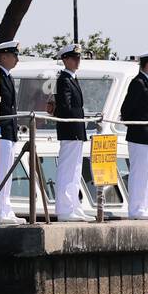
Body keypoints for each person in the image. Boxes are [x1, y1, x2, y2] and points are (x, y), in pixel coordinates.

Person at [121, 49, 148, 221]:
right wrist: (139, 123)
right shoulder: (137, 83)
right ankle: (136, 208)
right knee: (139, 171)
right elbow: (126, 110)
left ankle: (144, 206)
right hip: (139, 134)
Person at [53, 43, 92, 222]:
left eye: (79, 58)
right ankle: (64, 208)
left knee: (75, 170)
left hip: (76, 130)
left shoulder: (72, 79)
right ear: (65, 60)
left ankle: (74, 206)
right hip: (70, 129)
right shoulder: (64, 80)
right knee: (67, 169)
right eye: (74, 58)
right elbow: (65, 107)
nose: (78, 61)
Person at [0, 39, 24, 224]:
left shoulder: (7, 77)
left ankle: (6, 208)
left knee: (8, 172)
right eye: (14, 55)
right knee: (1, 172)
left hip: (10, 131)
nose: (17, 59)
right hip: (1, 131)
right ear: (3, 56)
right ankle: (0, 210)